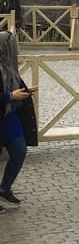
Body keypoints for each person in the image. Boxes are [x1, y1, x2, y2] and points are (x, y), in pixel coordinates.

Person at [1, 30, 37, 212]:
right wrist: (9, 95)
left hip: (10, 117)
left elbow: (14, 87)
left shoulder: (10, 68)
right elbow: (8, 93)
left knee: (19, 151)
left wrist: (25, 91)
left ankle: (4, 188)